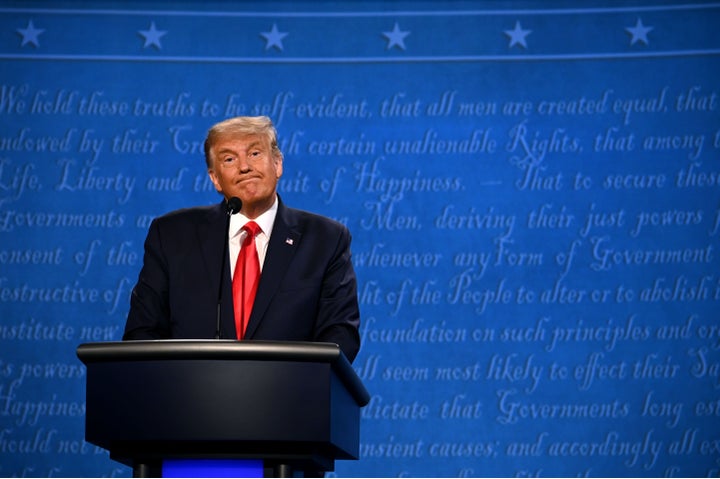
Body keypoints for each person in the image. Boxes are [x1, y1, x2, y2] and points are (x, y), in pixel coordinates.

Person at [123, 116, 361, 363]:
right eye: (229, 159)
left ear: (278, 164)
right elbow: (142, 333)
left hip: (289, 397)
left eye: (255, 153)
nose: (244, 167)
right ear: (215, 178)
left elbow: (339, 337)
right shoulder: (172, 236)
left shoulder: (325, 240)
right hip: (191, 396)